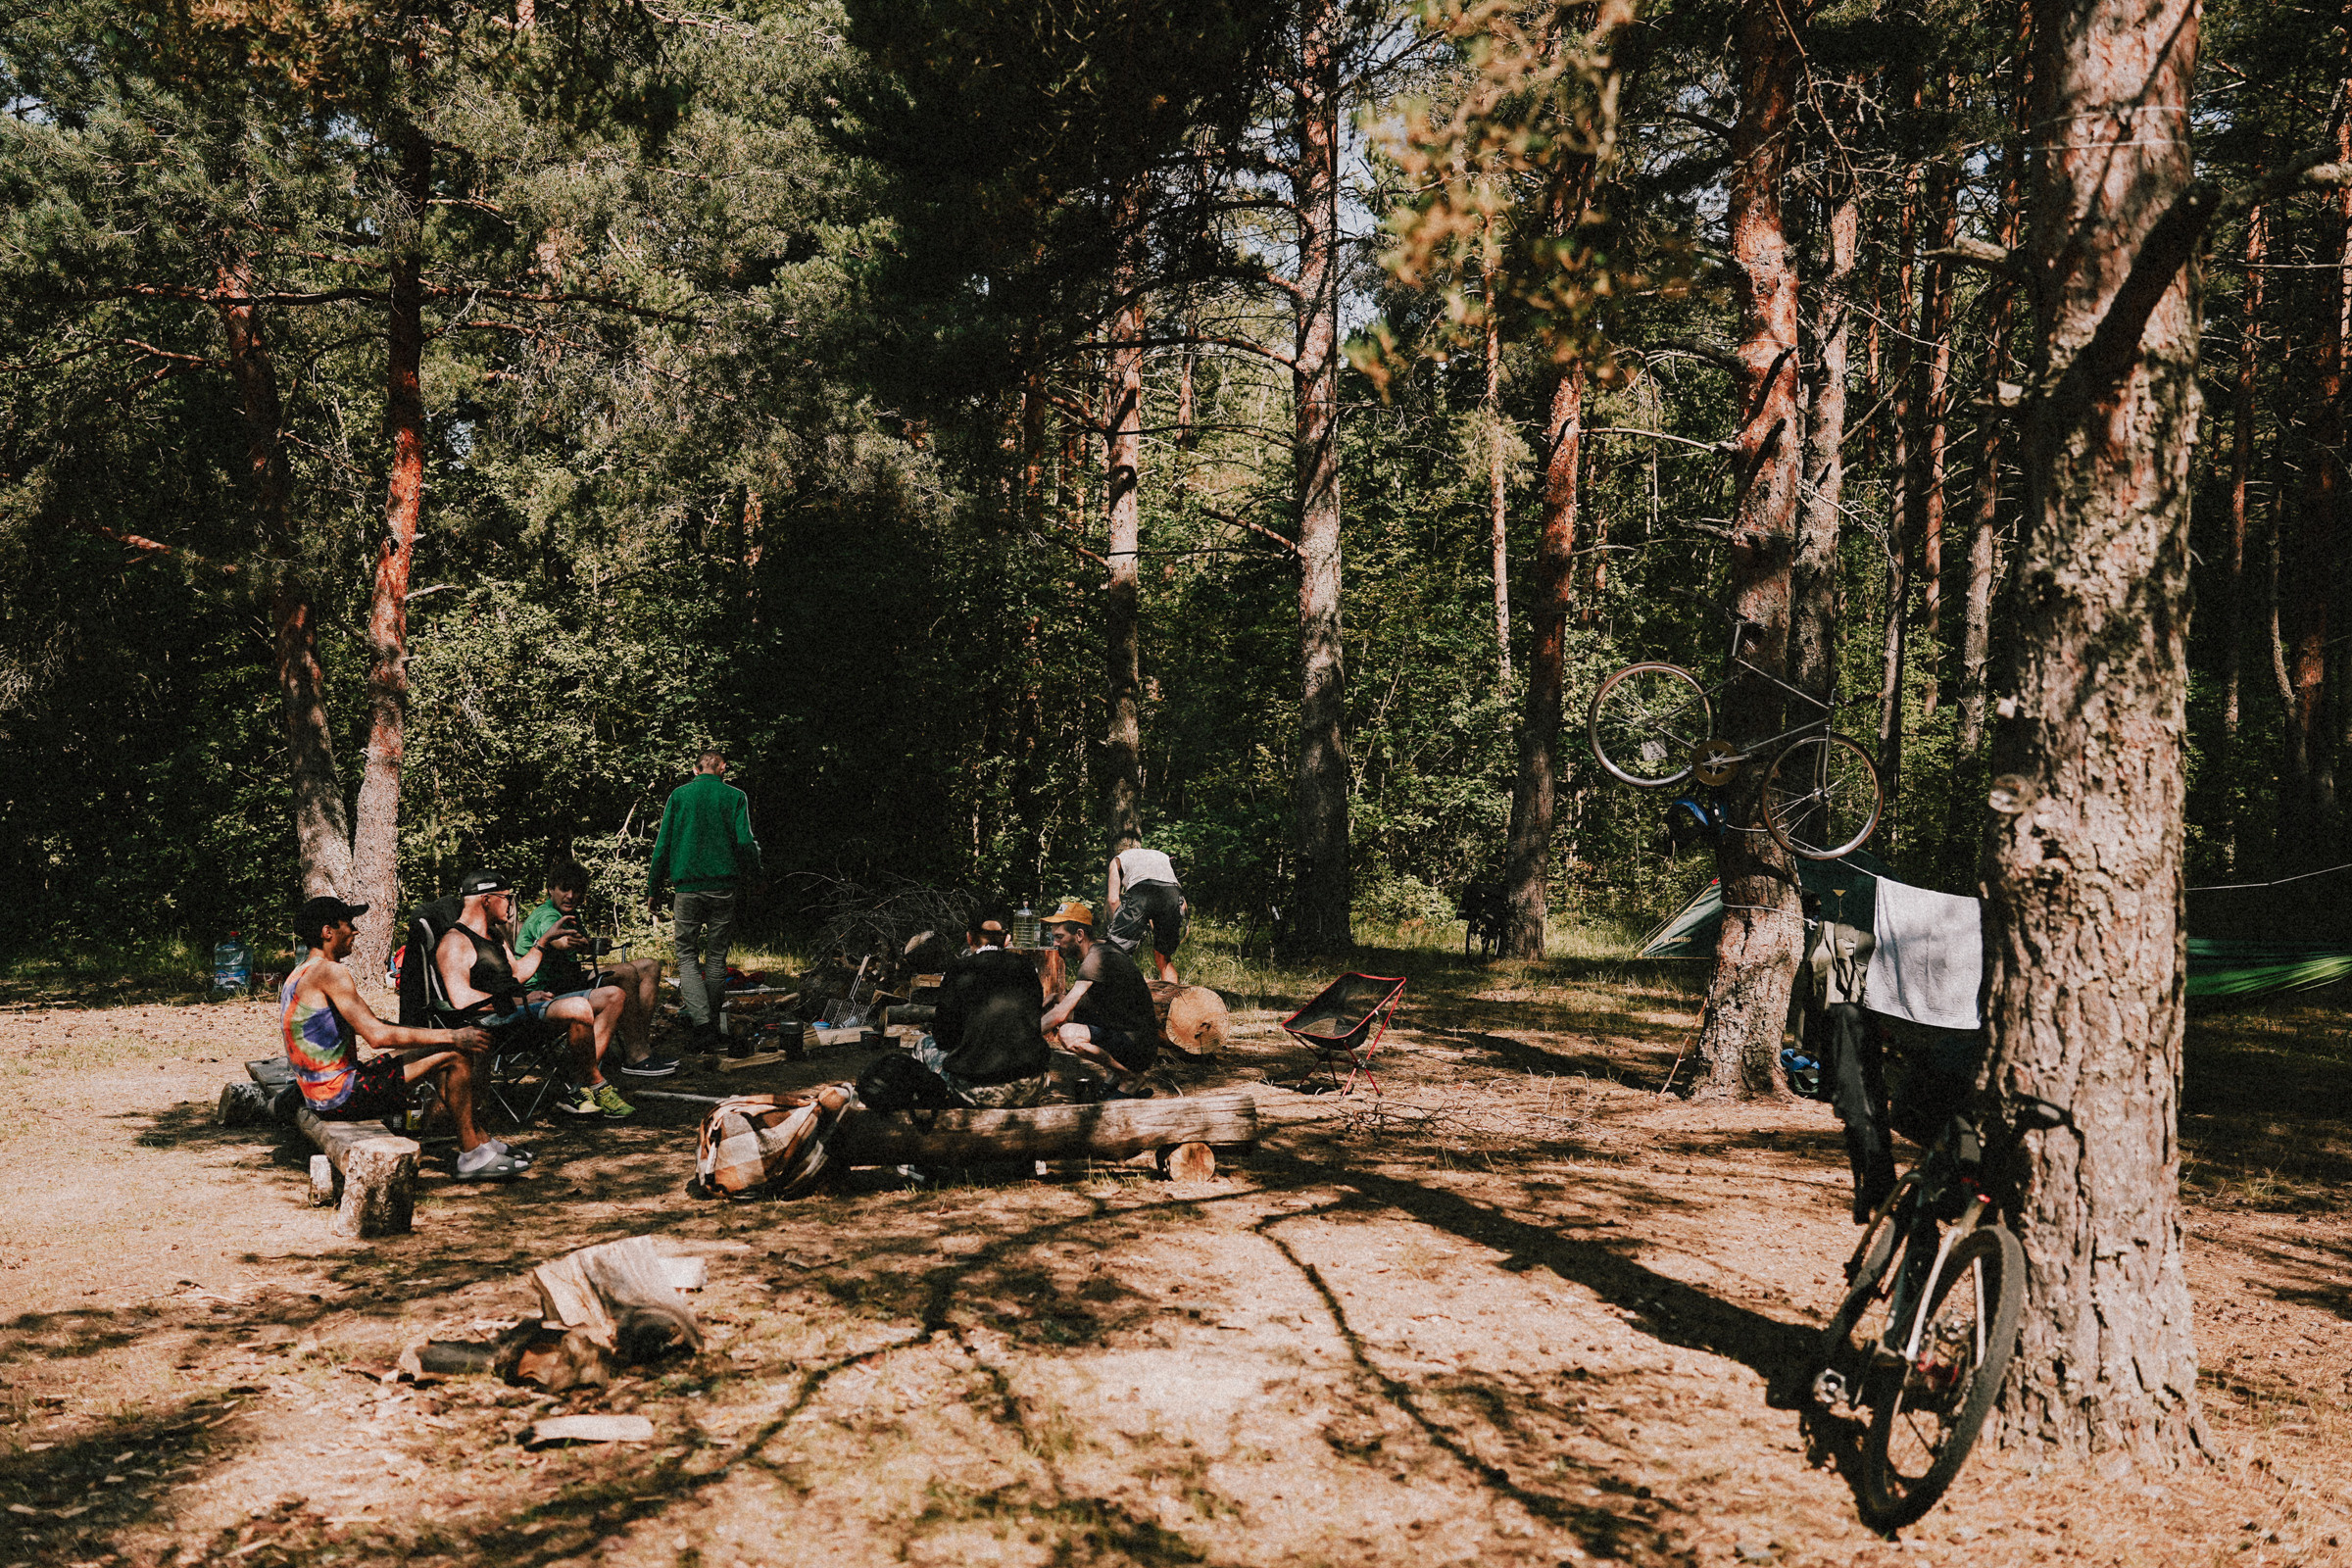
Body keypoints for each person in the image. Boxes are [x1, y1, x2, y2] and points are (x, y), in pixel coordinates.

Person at [280, 895, 524, 1180]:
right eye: (349, 924)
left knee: (434, 1053)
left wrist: (434, 1038)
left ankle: (481, 1142)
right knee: (454, 1054)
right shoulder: (330, 972)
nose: (355, 931)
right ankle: (472, 1154)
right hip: (340, 1096)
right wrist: (454, 1035)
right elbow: (377, 1035)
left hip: (320, 1092)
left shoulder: (300, 972)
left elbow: (372, 1025)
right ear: (327, 932)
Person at [436, 869, 634, 1120]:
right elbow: (461, 999)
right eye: (507, 898)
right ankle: (595, 1085)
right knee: (578, 1007)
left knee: (613, 996)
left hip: (519, 1013)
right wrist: (520, 1001)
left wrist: (543, 941)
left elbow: (517, 974)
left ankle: (577, 1088)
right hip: (494, 1024)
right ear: (486, 900)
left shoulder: (494, 935)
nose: (511, 904)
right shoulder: (455, 942)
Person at [516, 860, 677, 1078]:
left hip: (568, 979)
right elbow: (557, 938)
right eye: (565, 889)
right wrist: (565, 941)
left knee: (650, 965)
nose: (571, 896)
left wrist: (592, 944)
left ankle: (640, 1045)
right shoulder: (546, 914)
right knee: (626, 972)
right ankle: (635, 1054)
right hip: (545, 990)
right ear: (551, 889)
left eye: (577, 891)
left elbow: (580, 942)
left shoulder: (572, 914)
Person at [649, 750, 762, 1053]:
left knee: (686, 955)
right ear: (723, 767)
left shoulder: (679, 796)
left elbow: (663, 845)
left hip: (687, 888)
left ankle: (701, 1026)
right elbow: (744, 842)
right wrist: (755, 874)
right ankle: (709, 1024)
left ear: (695, 767)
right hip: (723, 888)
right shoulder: (735, 796)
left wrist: (653, 888)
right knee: (716, 957)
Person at [915, 912, 1052, 1107]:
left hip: (976, 1091)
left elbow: (943, 1038)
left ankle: (935, 1117)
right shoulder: (1027, 968)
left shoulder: (958, 970)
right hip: (1030, 1086)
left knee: (922, 1045)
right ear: (1007, 940)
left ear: (969, 937)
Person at [1038, 899, 1158, 1097]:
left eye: (1059, 936)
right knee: (1063, 1006)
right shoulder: (1101, 948)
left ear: (1079, 935)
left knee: (1068, 1033)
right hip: (1133, 1036)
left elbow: (1061, 1015)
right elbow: (1099, 1001)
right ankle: (1113, 1075)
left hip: (1138, 1047)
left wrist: (1023, 1038)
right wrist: (1059, 997)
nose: (1055, 943)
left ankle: (1129, 1077)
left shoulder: (1096, 959)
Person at [1105, 839, 1187, 982]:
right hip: (1172, 895)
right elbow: (1182, 905)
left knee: (1118, 954)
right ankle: (1170, 1001)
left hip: (1140, 892)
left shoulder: (1117, 860)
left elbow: (1113, 899)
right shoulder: (1162, 857)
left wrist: (1117, 926)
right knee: (1164, 957)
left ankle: (1120, 999)